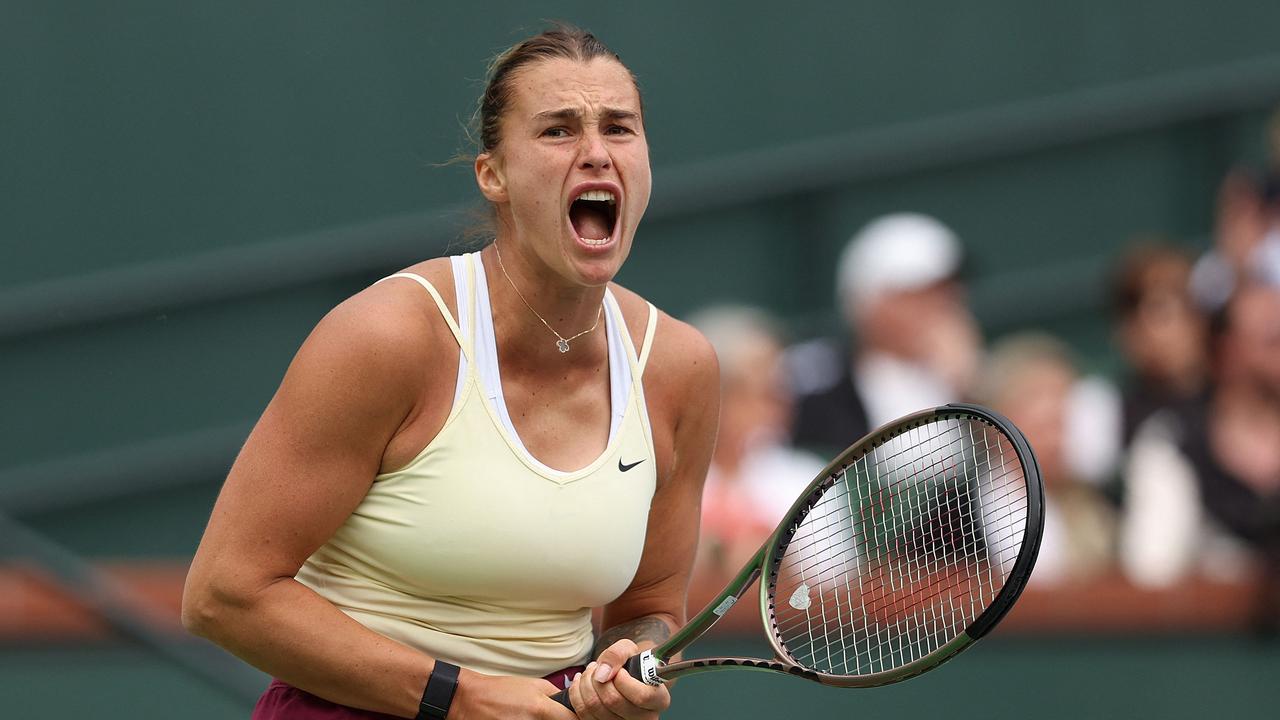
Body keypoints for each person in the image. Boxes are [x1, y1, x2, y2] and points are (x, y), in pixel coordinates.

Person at [181, 26, 719, 720]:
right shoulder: (388, 337)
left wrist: (630, 664)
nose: (595, 154)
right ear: (492, 174)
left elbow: (648, 608)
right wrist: (459, 698)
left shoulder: (681, 368)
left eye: (619, 128)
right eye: (557, 131)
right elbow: (222, 596)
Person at [788, 213, 982, 456]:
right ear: (868, 303)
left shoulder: (972, 382)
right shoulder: (815, 389)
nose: (938, 308)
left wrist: (971, 389)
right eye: (916, 296)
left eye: (945, 293)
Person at [686, 306, 825, 578]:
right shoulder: (655, 478)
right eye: (754, 392)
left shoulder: (807, 478)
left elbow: (833, 585)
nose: (778, 406)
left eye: (779, 391)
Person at [975, 333, 1117, 586]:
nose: (1055, 412)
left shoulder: (1106, 505)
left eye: (1063, 395)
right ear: (994, 417)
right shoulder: (950, 517)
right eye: (1037, 396)